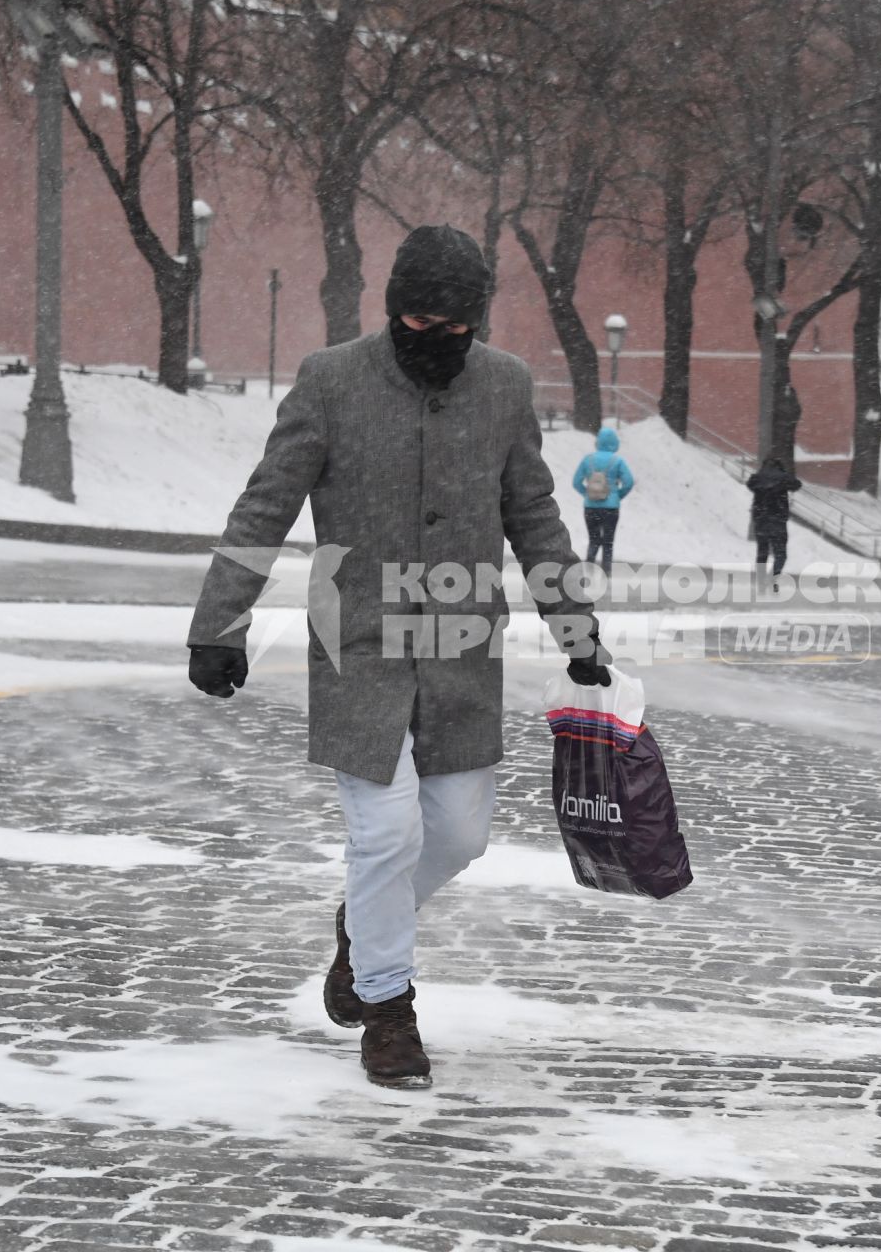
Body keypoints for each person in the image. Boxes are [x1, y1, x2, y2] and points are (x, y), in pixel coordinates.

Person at [185, 224, 611, 1091]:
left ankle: (361, 932)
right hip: (360, 647)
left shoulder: (503, 388)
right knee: (384, 834)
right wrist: (217, 624)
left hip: (461, 650)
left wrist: (577, 627)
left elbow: (534, 516)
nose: (435, 341)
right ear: (391, 311)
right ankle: (387, 1008)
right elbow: (264, 507)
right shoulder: (332, 380)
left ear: (476, 324)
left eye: (454, 329)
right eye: (418, 323)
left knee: (457, 836)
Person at [572, 426, 634, 575]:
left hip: (590, 507)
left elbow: (576, 482)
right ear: (614, 442)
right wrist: (617, 496)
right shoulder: (617, 461)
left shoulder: (588, 460)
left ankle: (588, 571)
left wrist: (588, 494)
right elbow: (629, 482)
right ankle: (606, 573)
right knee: (608, 542)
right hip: (611, 508)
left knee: (593, 540)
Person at [746, 456, 803, 590]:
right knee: (781, 555)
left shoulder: (757, 478)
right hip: (778, 521)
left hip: (761, 520)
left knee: (762, 552)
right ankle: (773, 579)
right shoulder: (783, 478)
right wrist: (782, 478)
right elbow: (797, 485)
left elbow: (750, 484)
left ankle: (761, 582)